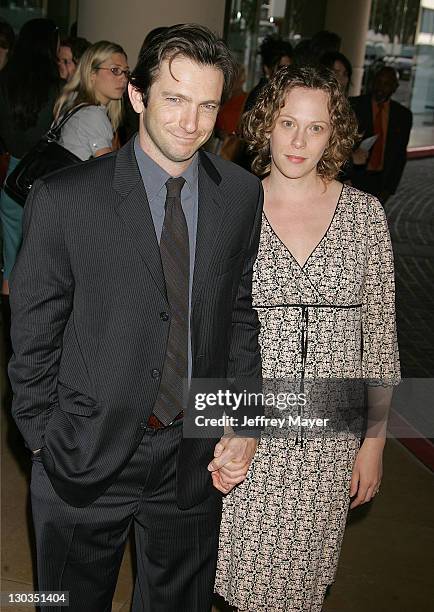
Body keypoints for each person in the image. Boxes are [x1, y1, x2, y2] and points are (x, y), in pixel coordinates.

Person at [9, 23, 262, 612]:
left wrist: (244, 422)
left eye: (207, 105)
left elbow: (241, 316)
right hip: (84, 451)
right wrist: (46, 440)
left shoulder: (240, 194)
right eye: (174, 99)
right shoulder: (68, 198)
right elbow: (32, 336)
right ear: (139, 96)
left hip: (194, 455)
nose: (190, 122)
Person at [215, 64, 400, 612]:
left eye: (316, 128)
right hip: (246, 426)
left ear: (335, 133)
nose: (299, 141)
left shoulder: (365, 216)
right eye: (287, 122)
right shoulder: (231, 206)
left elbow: (380, 340)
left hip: (329, 440)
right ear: (265, 124)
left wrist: (374, 443)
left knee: (301, 591)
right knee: (230, 583)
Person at [0, 18, 60, 352]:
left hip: (13, 180)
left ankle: (11, 344)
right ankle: (36, 345)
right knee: (44, 268)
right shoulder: (56, 87)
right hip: (47, 180)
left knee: (11, 264)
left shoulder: (5, 82)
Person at [54, 40, 128, 160]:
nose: (124, 79)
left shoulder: (74, 100)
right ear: (92, 73)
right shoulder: (92, 115)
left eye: (125, 72)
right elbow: (107, 169)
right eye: (115, 70)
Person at [349, 66, 412, 204]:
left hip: (380, 182)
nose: (381, 87)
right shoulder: (353, 106)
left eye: (387, 84)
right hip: (353, 177)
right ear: (372, 82)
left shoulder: (403, 116)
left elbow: (400, 155)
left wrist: (389, 189)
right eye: (378, 81)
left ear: (395, 87)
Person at [244, 35, 293, 113]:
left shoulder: (284, 91)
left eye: (289, 68)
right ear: (267, 69)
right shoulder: (260, 96)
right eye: (281, 68)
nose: (287, 73)